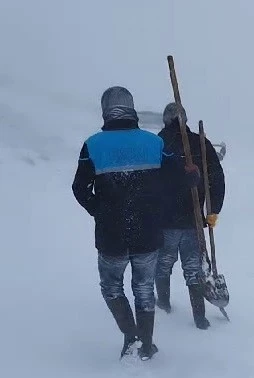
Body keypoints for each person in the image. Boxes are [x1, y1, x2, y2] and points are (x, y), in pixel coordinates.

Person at [72, 87, 199, 360]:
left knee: (112, 288)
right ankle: (147, 344)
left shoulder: (93, 145)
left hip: (111, 236)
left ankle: (131, 336)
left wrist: (99, 211)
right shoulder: (153, 143)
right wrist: (192, 175)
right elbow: (178, 179)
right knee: (143, 288)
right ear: (132, 109)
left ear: (106, 109)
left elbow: (80, 188)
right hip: (149, 232)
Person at [155, 102, 225, 330]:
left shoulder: (159, 142)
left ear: (166, 120)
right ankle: (200, 319)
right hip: (193, 220)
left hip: (165, 221)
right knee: (193, 269)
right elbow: (217, 178)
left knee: (163, 265)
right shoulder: (200, 142)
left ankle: (163, 305)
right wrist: (213, 209)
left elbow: (148, 181)